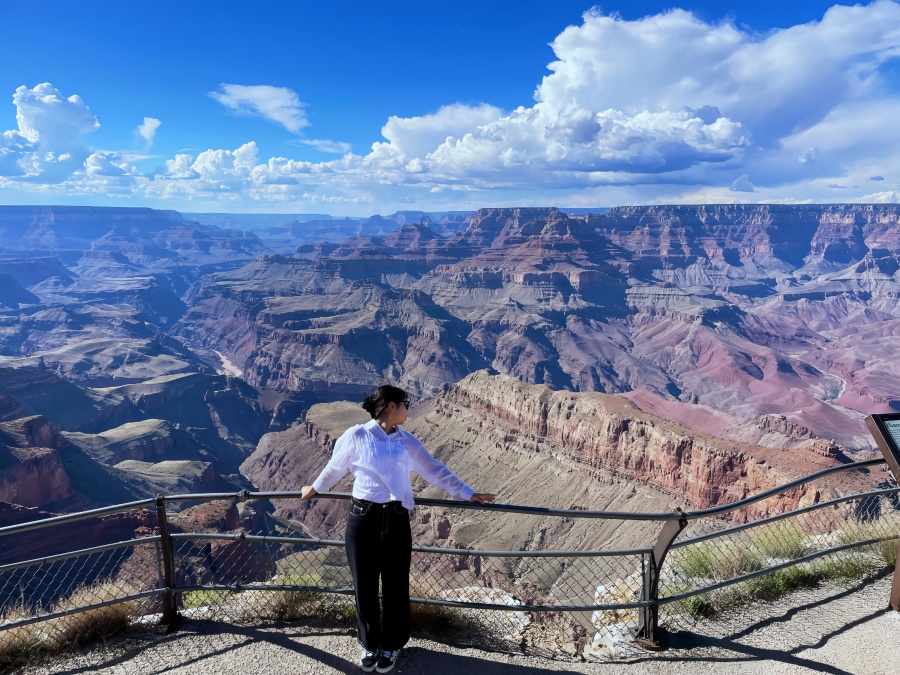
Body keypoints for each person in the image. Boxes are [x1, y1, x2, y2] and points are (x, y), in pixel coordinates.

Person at [300, 384, 496, 673]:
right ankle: (369, 644)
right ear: (391, 406)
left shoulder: (407, 442)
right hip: (362, 518)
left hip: (395, 518)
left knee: (395, 586)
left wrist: (468, 493)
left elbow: (436, 470)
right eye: (405, 403)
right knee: (364, 585)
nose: (408, 408)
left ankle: (392, 645)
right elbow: (334, 468)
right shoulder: (356, 435)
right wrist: (314, 487)